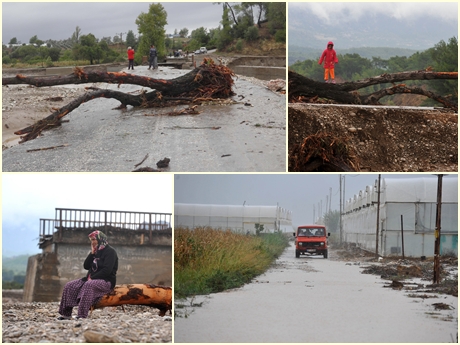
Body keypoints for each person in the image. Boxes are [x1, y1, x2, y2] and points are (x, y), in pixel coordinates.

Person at [57, 230, 118, 320]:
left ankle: (81, 315)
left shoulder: (110, 252)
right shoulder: (96, 251)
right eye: (91, 240)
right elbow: (86, 266)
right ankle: (66, 314)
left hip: (106, 281)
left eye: (94, 239)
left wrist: (92, 278)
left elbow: (107, 270)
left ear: (100, 239)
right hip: (89, 279)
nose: (92, 242)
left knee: (88, 285)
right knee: (69, 286)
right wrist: (92, 253)